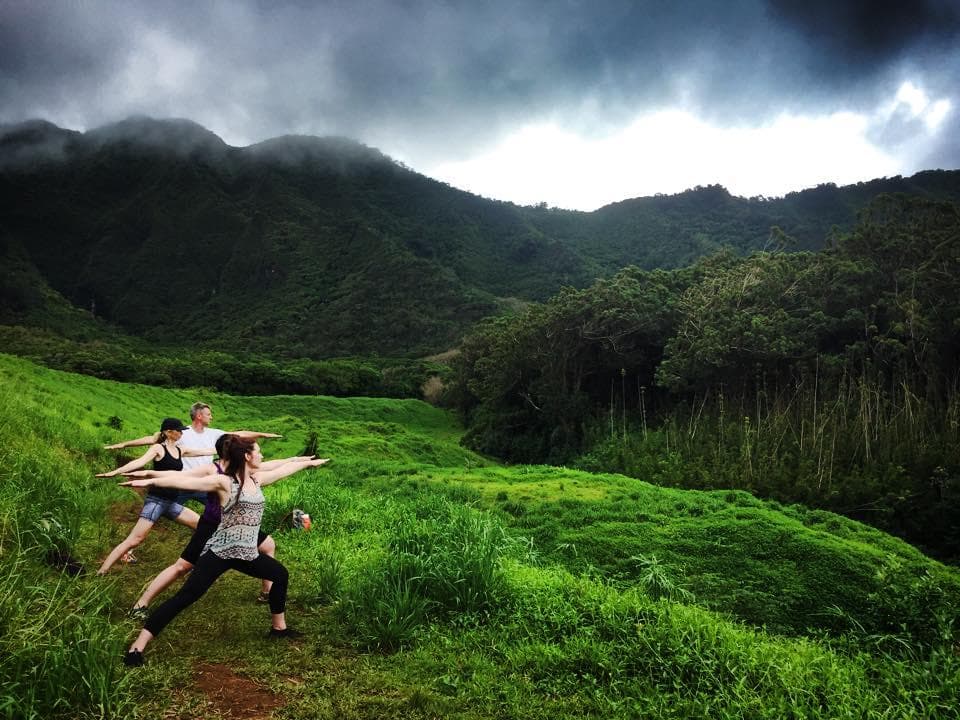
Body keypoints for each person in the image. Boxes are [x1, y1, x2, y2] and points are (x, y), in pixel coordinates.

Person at [121, 437, 329, 666]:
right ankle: (137, 646)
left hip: (247, 553)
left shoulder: (256, 479)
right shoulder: (224, 483)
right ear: (247, 456)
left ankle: (279, 628)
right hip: (220, 553)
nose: (262, 456)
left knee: (280, 574)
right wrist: (147, 478)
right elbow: (185, 482)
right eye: (258, 452)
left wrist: (306, 463)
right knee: (186, 596)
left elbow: (284, 469)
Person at [95, 418, 214, 575]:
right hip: (156, 501)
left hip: (172, 503)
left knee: (202, 525)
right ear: (168, 432)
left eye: (181, 430)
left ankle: (196, 563)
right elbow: (139, 461)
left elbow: (206, 451)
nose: (181, 433)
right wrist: (115, 472)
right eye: (178, 430)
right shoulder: (158, 448)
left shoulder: (180, 450)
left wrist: (230, 448)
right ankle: (102, 571)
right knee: (135, 539)